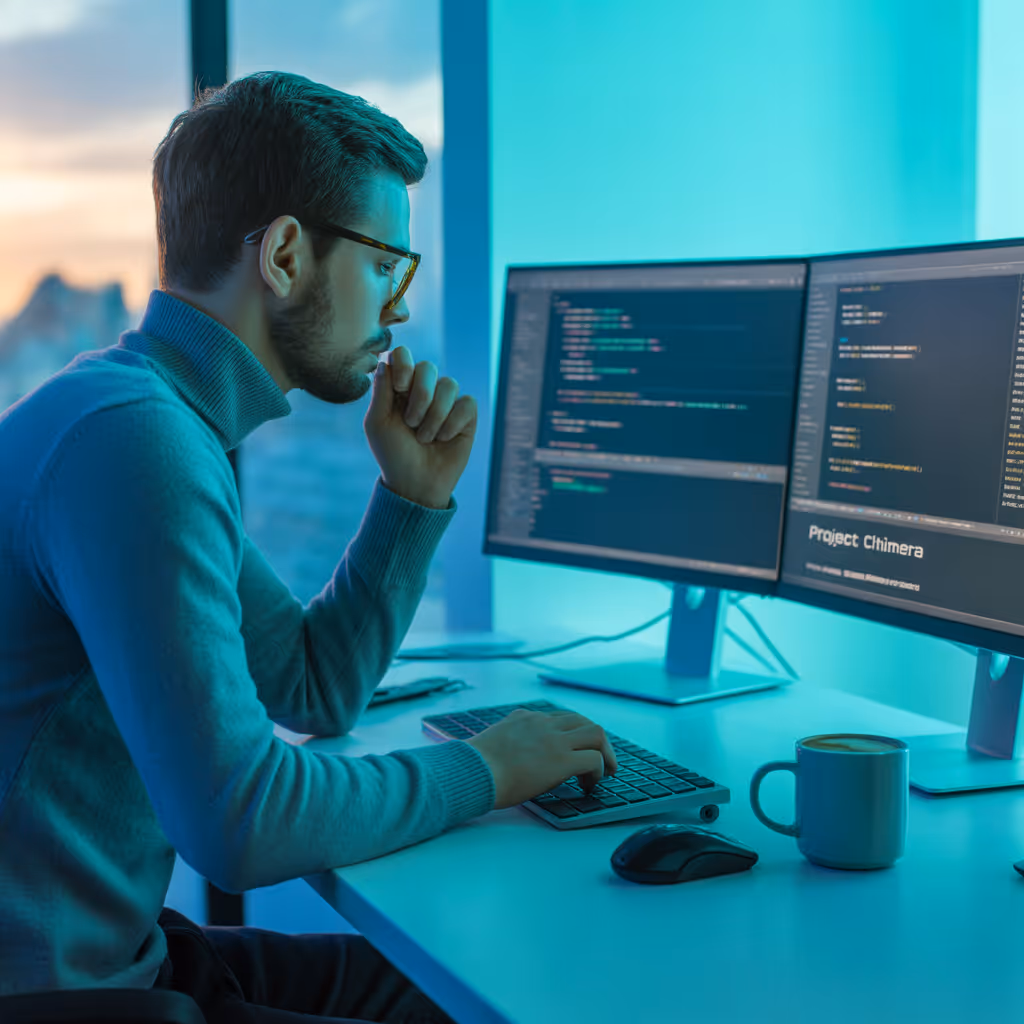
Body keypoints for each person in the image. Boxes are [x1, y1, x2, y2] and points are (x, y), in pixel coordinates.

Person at [0, 71, 617, 1023]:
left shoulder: (135, 414)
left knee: (454, 988)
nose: (398, 309)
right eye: (383, 266)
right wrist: (488, 771)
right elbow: (240, 825)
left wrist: (412, 499)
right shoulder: (135, 444)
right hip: (65, 998)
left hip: (117, 961)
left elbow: (312, 685)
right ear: (286, 255)